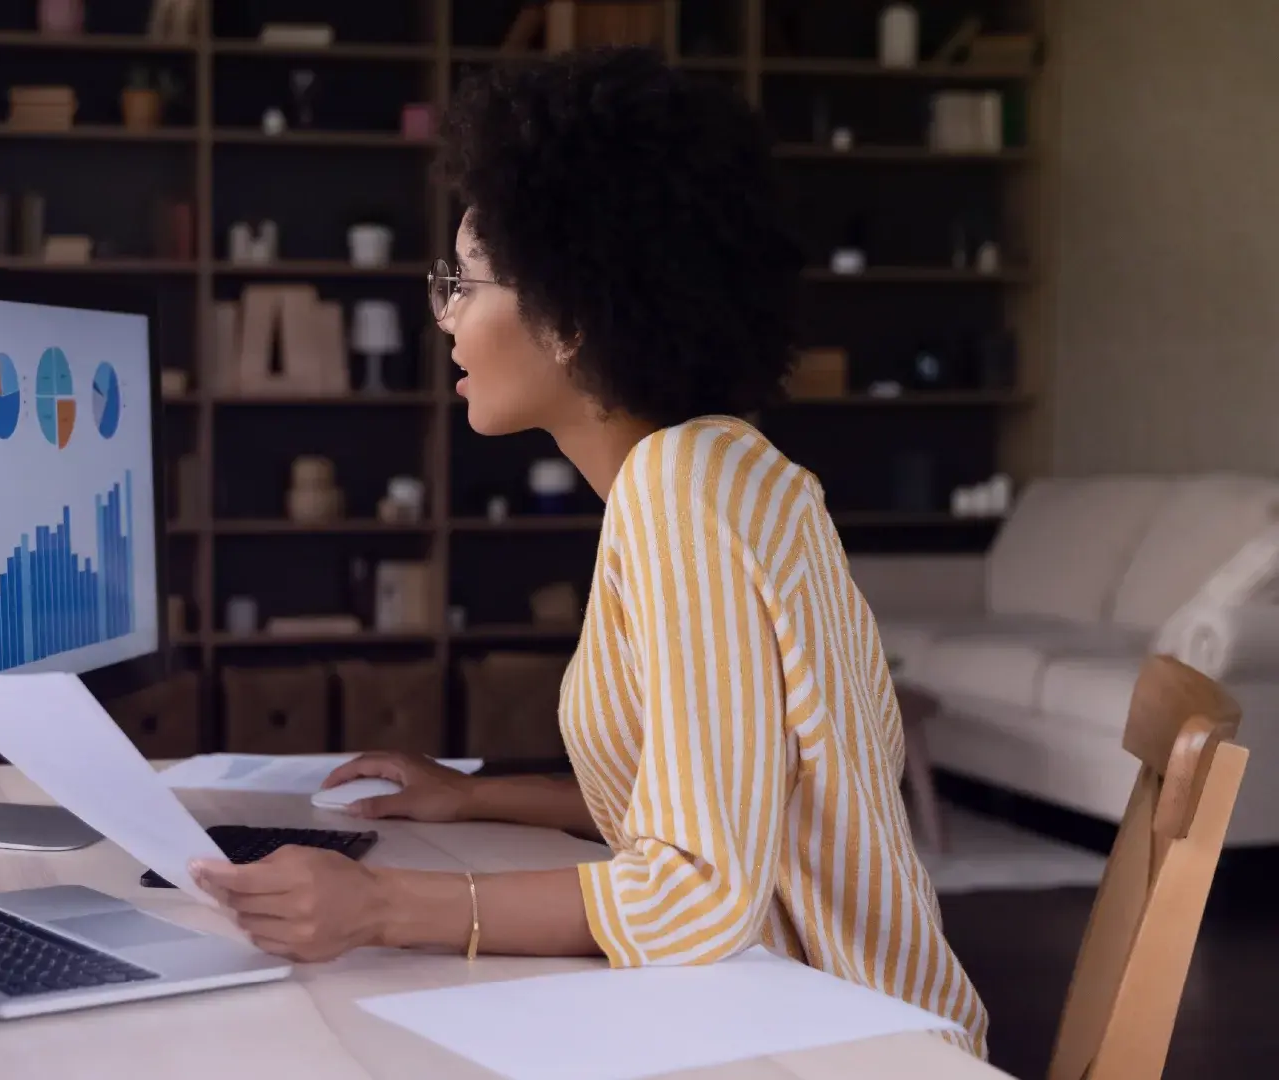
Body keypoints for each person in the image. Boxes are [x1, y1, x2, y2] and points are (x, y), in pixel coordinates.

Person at [187, 46, 988, 1058]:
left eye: (463, 284)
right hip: (799, 1012)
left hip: (846, 1046)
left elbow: (696, 893)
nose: (444, 317)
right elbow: (723, 794)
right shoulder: (722, 469)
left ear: (567, 314)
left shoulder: (677, 494)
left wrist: (380, 904)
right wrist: (473, 799)